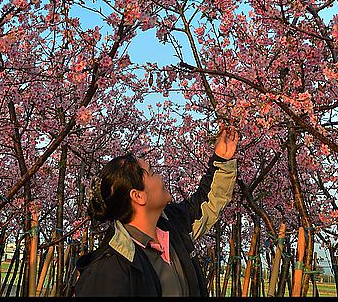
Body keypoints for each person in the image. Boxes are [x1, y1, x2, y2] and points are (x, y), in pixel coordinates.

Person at [74, 126, 239, 297]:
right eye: (152, 173)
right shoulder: (110, 269)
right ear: (138, 196)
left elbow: (206, 203)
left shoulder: (174, 227)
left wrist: (221, 159)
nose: (160, 177)